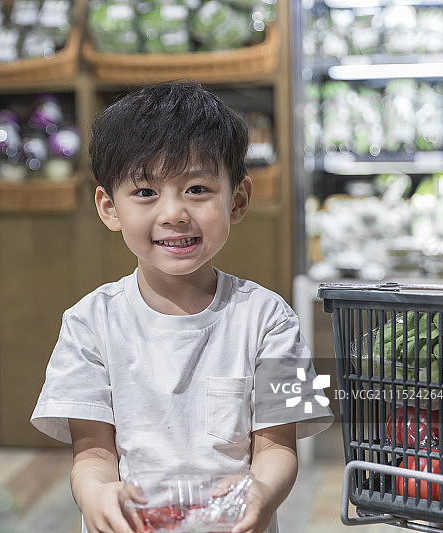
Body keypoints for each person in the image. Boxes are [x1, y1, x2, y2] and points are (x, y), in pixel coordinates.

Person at [30, 80, 333, 533]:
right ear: (109, 207)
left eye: (196, 189)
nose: (174, 213)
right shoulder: (88, 323)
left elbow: (278, 448)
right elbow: (92, 453)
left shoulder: (270, 318)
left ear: (238, 199)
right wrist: (96, 493)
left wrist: (262, 491)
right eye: (146, 192)